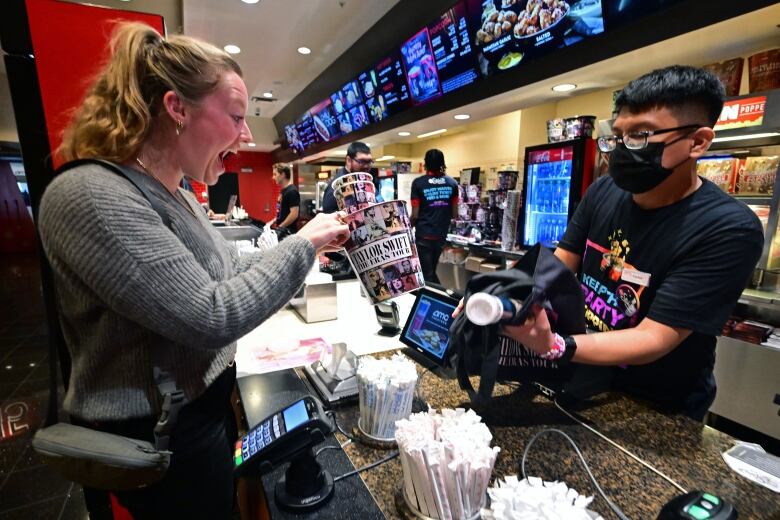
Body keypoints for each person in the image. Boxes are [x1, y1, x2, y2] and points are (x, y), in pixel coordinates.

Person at [37, 22, 348, 519]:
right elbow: (211, 313)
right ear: (176, 107)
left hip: (200, 411)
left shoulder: (177, 193)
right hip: (159, 437)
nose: (246, 133)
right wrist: (302, 247)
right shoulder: (94, 196)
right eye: (236, 117)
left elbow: (228, 267)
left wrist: (303, 246)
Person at [457, 66, 763, 420]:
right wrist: (501, 294)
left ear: (697, 142)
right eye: (617, 136)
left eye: (640, 136)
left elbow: (654, 337)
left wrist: (556, 345)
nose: (621, 150)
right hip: (583, 377)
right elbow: (556, 268)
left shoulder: (727, 229)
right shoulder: (606, 191)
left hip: (655, 408)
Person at [410, 149, 459, 284]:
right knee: (433, 272)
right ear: (442, 163)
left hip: (423, 236)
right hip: (441, 236)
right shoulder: (452, 183)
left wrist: (408, 226)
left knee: (427, 275)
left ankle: (431, 300)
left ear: (425, 163)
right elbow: (455, 213)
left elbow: (415, 214)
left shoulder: (418, 183)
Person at [321, 141, 382, 213]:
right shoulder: (338, 185)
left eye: (369, 162)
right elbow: (328, 215)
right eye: (362, 161)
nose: (366, 166)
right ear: (349, 160)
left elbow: (380, 202)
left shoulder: (364, 180)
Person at [271, 162, 300, 237]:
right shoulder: (283, 190)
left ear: (283, 175)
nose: (273, 177)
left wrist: (280, 227)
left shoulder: (292, 191)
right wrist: (272, 221)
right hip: (282, 230)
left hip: (288, 233)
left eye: (275, 174)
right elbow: (282, 212)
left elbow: (294, 214)